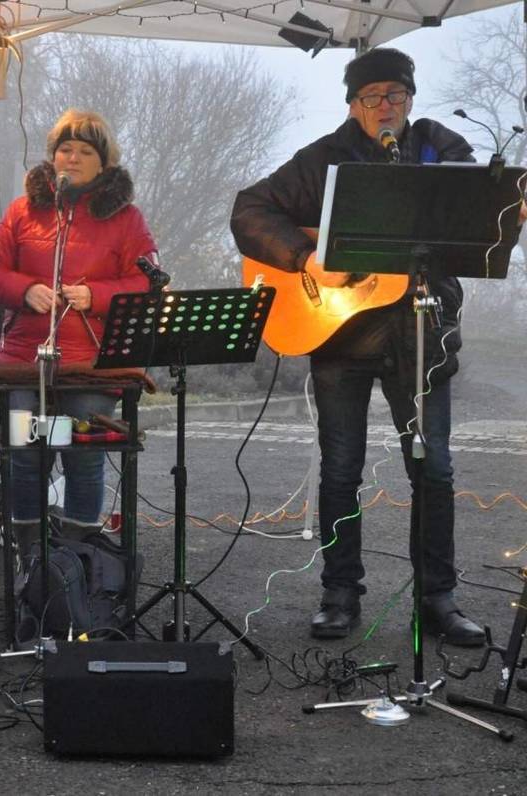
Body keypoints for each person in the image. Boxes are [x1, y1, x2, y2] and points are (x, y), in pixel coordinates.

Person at [230, 47, 517, 646]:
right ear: (352, 104)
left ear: (411, 100)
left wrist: (505, 207)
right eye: (373, 97)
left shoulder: (440, 146)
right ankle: (339, 594)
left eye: (397, 95)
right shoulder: (323, 159)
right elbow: (249, 210)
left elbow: (478, 216)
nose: (386, 106)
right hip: (339, 332)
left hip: (421, 333)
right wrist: (306, 257)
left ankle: (437, 599)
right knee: (341, 469)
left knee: (433, 470)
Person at [0, 108, 157, 558]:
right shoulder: (22, 211)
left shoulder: (127, 219)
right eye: (65, 149)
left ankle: (78, 558)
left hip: (92, 364)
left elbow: (145, 283)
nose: (71, 159)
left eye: (84, 151)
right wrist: (26, 289)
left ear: (103, 162)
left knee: (83, 456)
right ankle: (30, 558)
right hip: (24, 363)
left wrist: (95, 296)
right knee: (27, 456)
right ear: (52, 157)